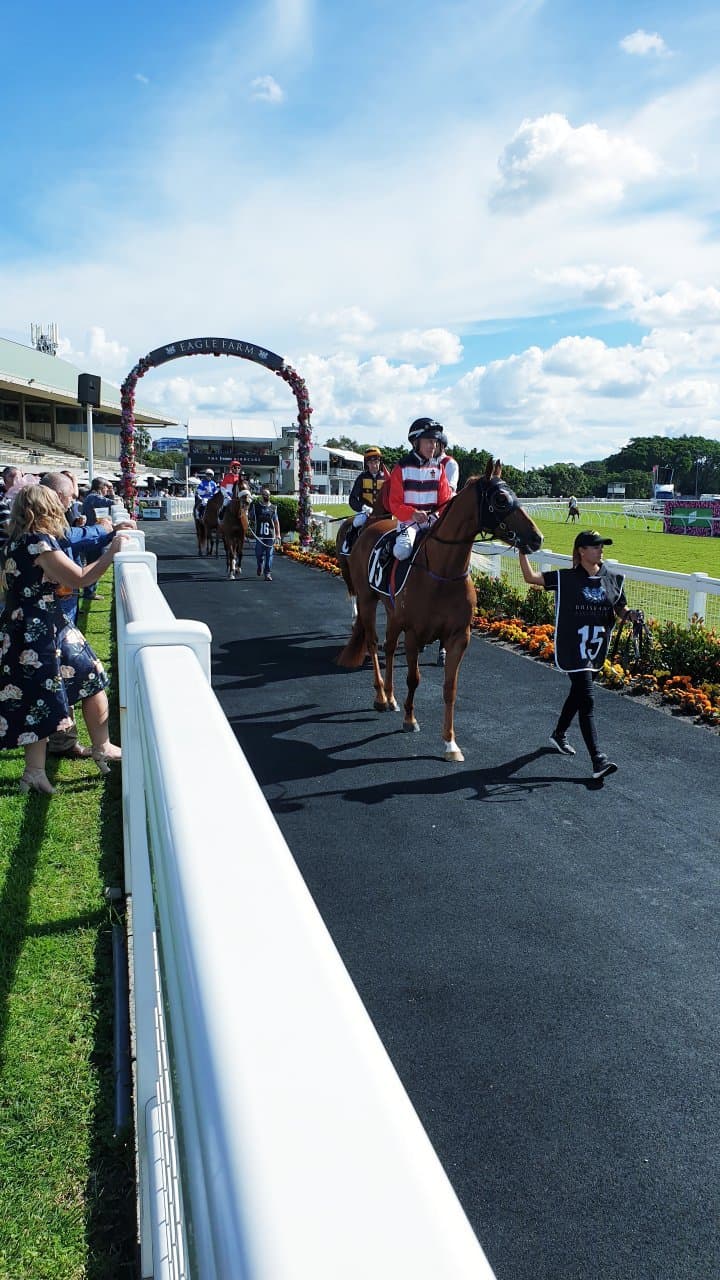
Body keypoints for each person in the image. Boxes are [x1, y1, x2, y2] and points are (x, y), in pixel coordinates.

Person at [0, 484, 128, 794]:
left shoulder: (13, 542)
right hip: (42, 629)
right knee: (65, 686)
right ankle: (40, 770)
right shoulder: (39, 543)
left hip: (26, 625)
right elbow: (80, 578)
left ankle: (87, 752)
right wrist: (112, 551)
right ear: (46, 508)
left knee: (76, 680)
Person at [518, 530, 642, 781]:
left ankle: (559, 734)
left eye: (602, 546)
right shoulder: (566, 578)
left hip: (595, 649)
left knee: (578, 695)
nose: (600, 550)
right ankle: (598, 759)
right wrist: (522, 551)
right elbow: (531, 577)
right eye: (595, 546)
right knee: (586, 699)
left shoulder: (612, 579)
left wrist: (631, 615)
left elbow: (620, 609)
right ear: (581, 551)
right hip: (573, 648)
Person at [385, 418, 453, 561]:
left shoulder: (439, 468)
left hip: (432, 521)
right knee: (402, 551)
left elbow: (445, 502)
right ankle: (386, 553)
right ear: (416, 442)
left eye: (435, 442)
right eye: (429, 441)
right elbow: (395, 503)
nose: (433, 446)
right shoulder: (401, 468)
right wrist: (413, 513)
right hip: (408, 522)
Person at [348, 447, 391, 530]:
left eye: (376, 462)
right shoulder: (361, 477)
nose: (374, 465)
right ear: (367, 464)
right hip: (365, 512)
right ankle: (349, 538)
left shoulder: (386, 478)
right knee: (357, 522)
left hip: (384, 513)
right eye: (371, 463)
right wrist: (364, 507)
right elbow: (352, 499)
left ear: (380, 462)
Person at [252, 488, 281, 581]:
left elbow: (276, 522)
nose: (266, 496)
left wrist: (278, 534)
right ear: (261, 496)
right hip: (259, 535)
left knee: (269, 555)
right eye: (264, 494)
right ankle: (260, 564)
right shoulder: (256, 507)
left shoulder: (273, 508)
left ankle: (267, 573)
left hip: (270, 536)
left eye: (267, 494)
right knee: (258, 554)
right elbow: (250, 517)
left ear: (270, 496)